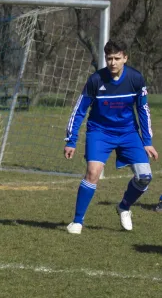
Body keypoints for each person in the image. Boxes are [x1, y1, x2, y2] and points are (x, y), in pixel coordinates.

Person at [64, 39, 158, 234]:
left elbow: (143, 109)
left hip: (128, 133)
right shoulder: (96, 80)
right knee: (93, 172)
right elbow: (79, 110)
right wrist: (71, 140)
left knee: (145, 177)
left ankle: (124, 206)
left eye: (117, 58)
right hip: (100, 132)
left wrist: (147, 141)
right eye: (109, 59)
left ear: (125, 58)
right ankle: (77, 221)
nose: (113, 62)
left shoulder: (135, 79)